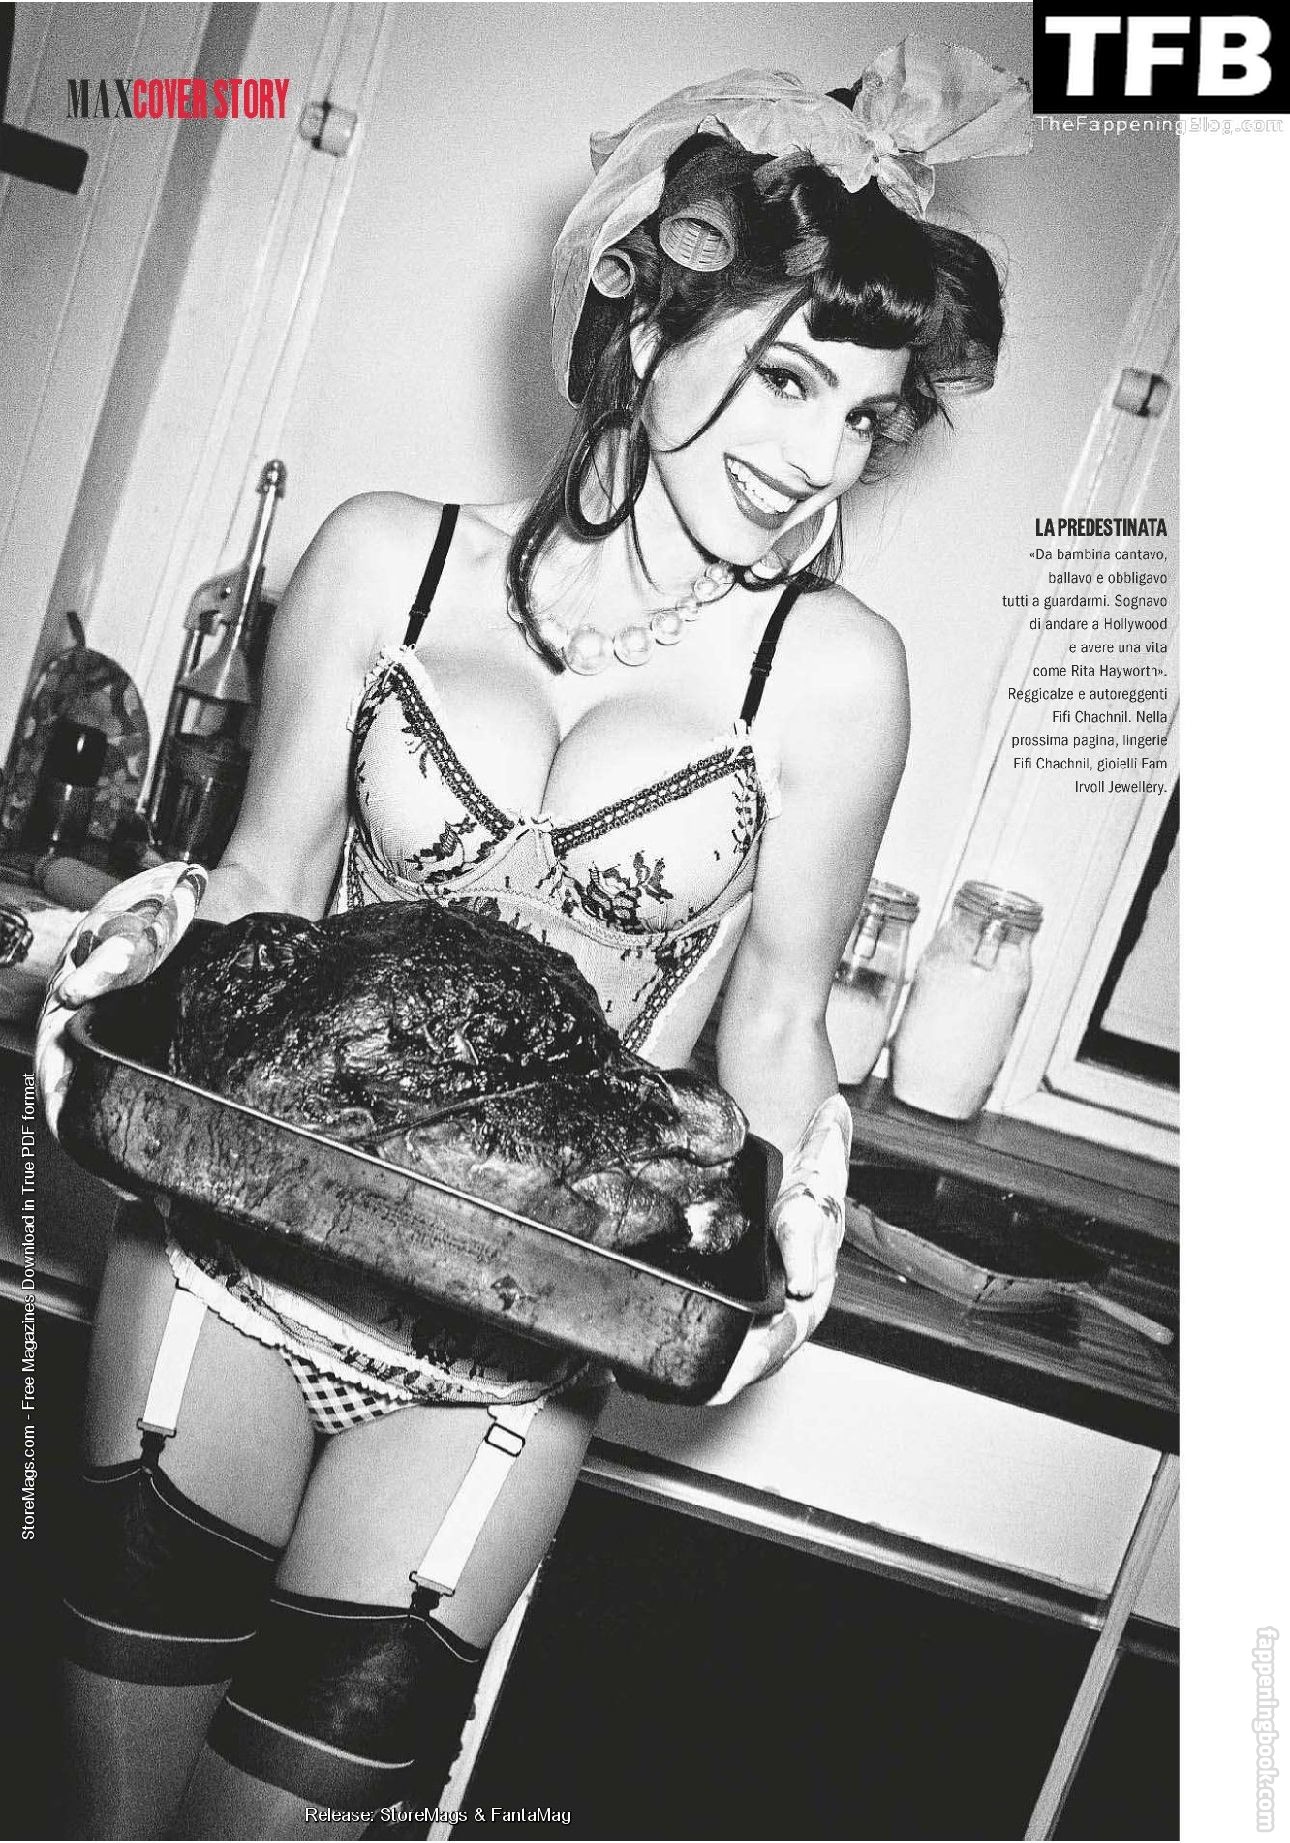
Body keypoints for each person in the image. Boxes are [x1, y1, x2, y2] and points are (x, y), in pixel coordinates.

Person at [36, 37, 1029, 1842]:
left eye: (862, 418)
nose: (817, 459)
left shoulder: (832, 676)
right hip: (229, 1262)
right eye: (788, 378)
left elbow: (776, 1024)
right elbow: (263, 884)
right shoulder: (381, 561)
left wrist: (790, 1226)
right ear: (643, 328)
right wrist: (129, 954)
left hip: (519, 1342)